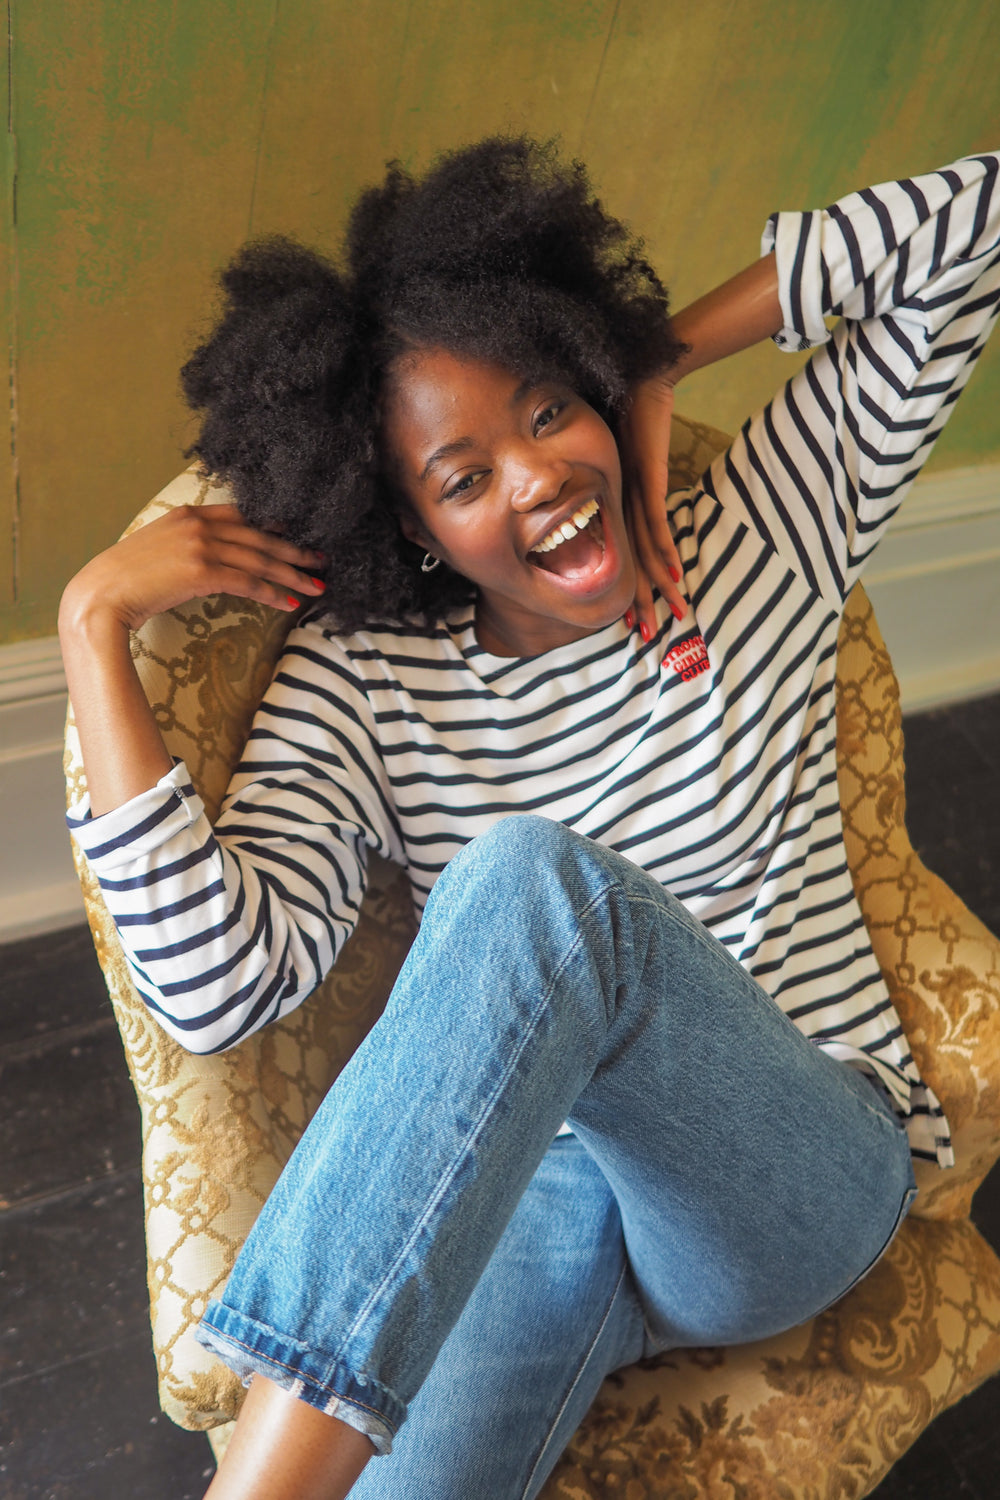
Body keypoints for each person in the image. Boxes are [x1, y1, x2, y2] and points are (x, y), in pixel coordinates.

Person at [60, 138, 1000, 1499]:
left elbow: (977, 214)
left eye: (552, 409)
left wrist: (661, 359)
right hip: (529, 1200)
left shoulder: (759, 539)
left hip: (784, 1171)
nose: (537, 475)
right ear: (414, 530)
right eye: (463, 476)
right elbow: (213, 993)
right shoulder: (365, 682)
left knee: (533, 883)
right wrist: (91, 622)